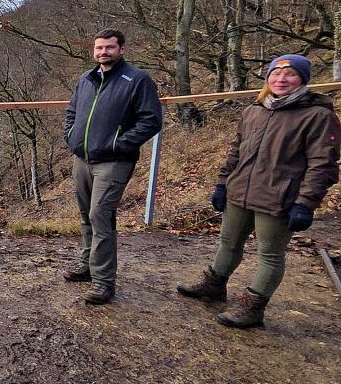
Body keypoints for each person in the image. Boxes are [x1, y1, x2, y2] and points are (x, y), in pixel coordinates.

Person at [177, 54, 340, 328]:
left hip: (280, 197)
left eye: (290, 74)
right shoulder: (255, 110)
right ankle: (214, 285)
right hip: (240, 190)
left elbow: (323, 164)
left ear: (302, 79)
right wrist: (222, 183)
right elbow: (236, 150)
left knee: (270, 254)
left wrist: (305, 203)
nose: (281, 79)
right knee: (228, 243)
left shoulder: (318, 116)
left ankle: (253, 307)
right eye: (276, 73)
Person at [61, 28, 163, 304]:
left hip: (114, 161)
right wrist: (71, 135)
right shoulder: (86, 78)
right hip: (82, 157)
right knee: (86, 214)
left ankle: (103, 281)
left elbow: (151, 121)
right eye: (99, 48)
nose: (103, 52)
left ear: (121, 49)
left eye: (109, 47)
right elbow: (72, 112)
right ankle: (87, 263)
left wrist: (119, 143)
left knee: (100, 215)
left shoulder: (137, 79)